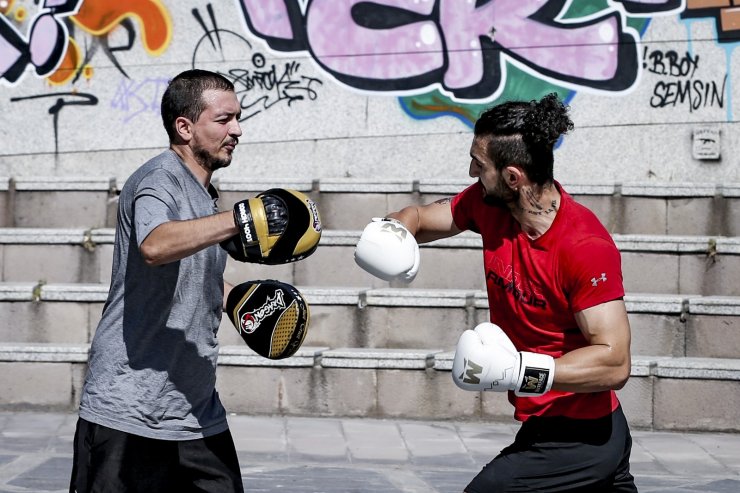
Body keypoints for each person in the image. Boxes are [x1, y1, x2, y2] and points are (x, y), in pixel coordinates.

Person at [355, 93, 637, 492]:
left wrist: (517, 369)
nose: (471, 171)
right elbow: (422, 216)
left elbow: (615, 363)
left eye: (479, 163)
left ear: (512, 177)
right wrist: (393, 229)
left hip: (582, 436)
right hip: (550, 426)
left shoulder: (584, 246)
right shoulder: (490, 206)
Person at [69, 69, 247, 492]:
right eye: (223, 120)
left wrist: (240, 301)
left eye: (238, 118)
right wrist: (239, 220)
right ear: (184, 127)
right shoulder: (158, 179)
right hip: (129, 411)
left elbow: (190, 275)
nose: (237, 130)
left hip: (195, 412)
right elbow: (155, 245)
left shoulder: (203, 194)